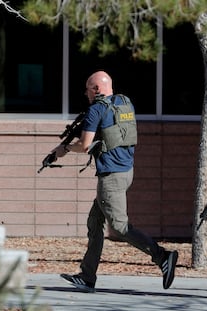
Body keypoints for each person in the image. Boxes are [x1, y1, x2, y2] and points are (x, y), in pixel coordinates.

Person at [53, 70, 178, 293]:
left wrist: (63, 149)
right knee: (95, 222)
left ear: (97, 89)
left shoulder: (96, 109)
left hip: (111, 177)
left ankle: (162, 257)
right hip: (126, 171)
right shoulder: (124, 103)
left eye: (88, 89)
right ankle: (87, 275)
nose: (86, 93)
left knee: (120, 226)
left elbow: (84, 145)